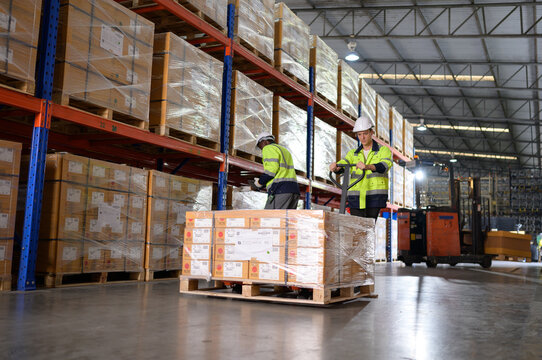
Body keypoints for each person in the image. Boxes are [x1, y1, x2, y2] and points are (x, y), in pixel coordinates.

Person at [329, 116, 393, 220]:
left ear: (372, 132)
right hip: (356, 198)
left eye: (365, 134)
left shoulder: (383, 151)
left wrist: (367, 167)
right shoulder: (353, 153)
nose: (362, 137)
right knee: (357, 230)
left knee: (368, 229)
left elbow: (385, 166)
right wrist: (336, 167)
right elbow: (344, 163)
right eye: (359, 134)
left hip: (374, 198)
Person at [250, 132, 300, 209]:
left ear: (265, 142)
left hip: (280, 190)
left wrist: (258, 183)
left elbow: (271, 172)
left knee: (270, 218)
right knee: (286, 220)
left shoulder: (268, 148)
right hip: (294, 191)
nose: (261, 150)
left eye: (260, 147)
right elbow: (280, 172)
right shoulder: (284, 150)